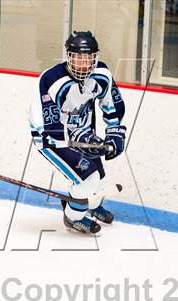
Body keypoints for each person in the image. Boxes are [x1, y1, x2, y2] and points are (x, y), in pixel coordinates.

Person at [29, 31, 126, 234]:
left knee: (99, 175)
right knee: (87, 178)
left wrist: (115, 133)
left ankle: (90, 204)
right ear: (69, 56)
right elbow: (49, 124)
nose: (83, 63)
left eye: (88, 58)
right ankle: (74, 217)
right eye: (78, 57)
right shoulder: (52, 79)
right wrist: (77, 137)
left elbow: (112, 104)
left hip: (83, 132)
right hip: (50, 138)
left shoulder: (101, 73)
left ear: (95, 58)